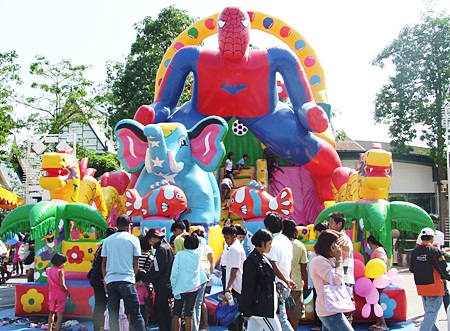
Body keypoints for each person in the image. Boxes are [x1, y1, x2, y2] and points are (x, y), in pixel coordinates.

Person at [101, 215, 145, 331]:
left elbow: (103, 263)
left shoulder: (107, 240)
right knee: (136, 314)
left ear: (116, 225)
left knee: (113, 315)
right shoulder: (134, 239)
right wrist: (133, 276)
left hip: (111, 281)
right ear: (128, 225)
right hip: (127, 280)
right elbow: (136, 262)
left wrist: (106, 279)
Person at [309, 229, 354, 331]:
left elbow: (344, 257)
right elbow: (336, 279)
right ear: (329, 246)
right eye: (336, 246)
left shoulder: (329, 259)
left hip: (331, 308)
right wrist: (338, 259)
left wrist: (345, 247)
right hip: (328, 311)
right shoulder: (318, 261)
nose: (338, 249)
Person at [239, 229, 281, 331]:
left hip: (261, 306)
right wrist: (246, 310)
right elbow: (248, 286)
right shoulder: (253, 261)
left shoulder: (263, 258)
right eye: (269, 243)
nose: (271, 246)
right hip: (261, 307)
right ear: (262, 243)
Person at [410, 227, 450, 331]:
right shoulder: (433, 251)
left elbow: (412, 268)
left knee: (429, 312)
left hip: (421, 287)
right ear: (432, 238)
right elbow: (442, 268)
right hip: (434, 286)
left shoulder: (415, 252)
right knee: (431, 313)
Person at [264, 212, 296, 331]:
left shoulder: (272, 242)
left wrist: (285, 280)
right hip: (285, 282)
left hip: (277, 284)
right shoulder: (286, 240)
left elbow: (274, 265)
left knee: (280, 318)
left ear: (267, 227)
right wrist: (288, 279)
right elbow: (290, 263)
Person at [171, 233, 208, 331]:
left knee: (177, 313)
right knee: (189, 314)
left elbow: (174, 272)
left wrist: (173, 285)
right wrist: (189, 235)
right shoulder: (198, 253)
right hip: (193, 287)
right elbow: (203, 242)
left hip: (180, 287)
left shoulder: (180, 255)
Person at [140, 229, 174, 331]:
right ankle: (167, 328)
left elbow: (157, 269)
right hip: (168, 282)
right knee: (164, 308)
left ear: (153, 239)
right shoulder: (167, 247)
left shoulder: (161, 250)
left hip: (162, 284)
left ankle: (164, 328)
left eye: (150, 241)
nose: (149, 244)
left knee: (159, 309)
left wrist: (145, 278)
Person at [88, 227, 117, 331]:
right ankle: (99, 326)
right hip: (100, 279)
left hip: (97, 278)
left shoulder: (102, 246)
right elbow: (104, 265)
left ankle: (99, 326)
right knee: (101, 304)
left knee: (100, 304)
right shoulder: (107, 246)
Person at [328, 212, 355, 324]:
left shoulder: (341, 238)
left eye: (331, 223)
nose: (329, 225)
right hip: (343, 279)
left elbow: (339, 256)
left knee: (343, 312)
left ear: (339, 224)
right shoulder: (342, 237)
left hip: (343, 279)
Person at [282, 219, 308, 331]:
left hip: (281, 283)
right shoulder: (299, 245)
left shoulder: (278, 243)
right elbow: (303, 267)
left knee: (280, 312)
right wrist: (306, 283)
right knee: (295, 313)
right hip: (296, 283)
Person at [222, 225, 246, 331]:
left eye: (227, 237)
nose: (226, 240)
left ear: (234, 236)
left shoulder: (234, 249)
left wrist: (229, 286)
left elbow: (234, 269)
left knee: (234, 315)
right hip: (237, 285)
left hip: (236, 286)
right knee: (237, 315)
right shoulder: (236, 247)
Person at [191, 228, 215, 331]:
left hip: (202, 274)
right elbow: (211, 262)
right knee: (201, 301)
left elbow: (212, 261)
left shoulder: (202, 248)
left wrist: (209, 275)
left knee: (199, 301)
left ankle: (203, 324)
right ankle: (203, 324)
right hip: (205, 274)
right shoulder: (207, 247)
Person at [307, 222, 329, 331]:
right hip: (322, 278)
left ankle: (319, 324)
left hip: (320, 279)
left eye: (317, 232)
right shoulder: (328, 244)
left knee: (319, 301)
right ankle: (321, 324)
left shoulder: (323, 245)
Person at [366, 235, 388, 331]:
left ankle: (383, 323)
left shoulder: (378, 250)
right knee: (375, 300)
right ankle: (378, 322)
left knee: (376, 301)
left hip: (378, 279)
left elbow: (381, 262)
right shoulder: (378, 250)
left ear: (371, 243)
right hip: (376, 279)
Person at [47, 253, 70, 331]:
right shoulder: (60, 271)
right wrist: (68, 293)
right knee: (60, 313)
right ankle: (57, 329)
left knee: (51, 312)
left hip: (51, 293)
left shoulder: (48, 270)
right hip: (60, 293)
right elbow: (62, 285)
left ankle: (49, 328)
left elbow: (48, 283)